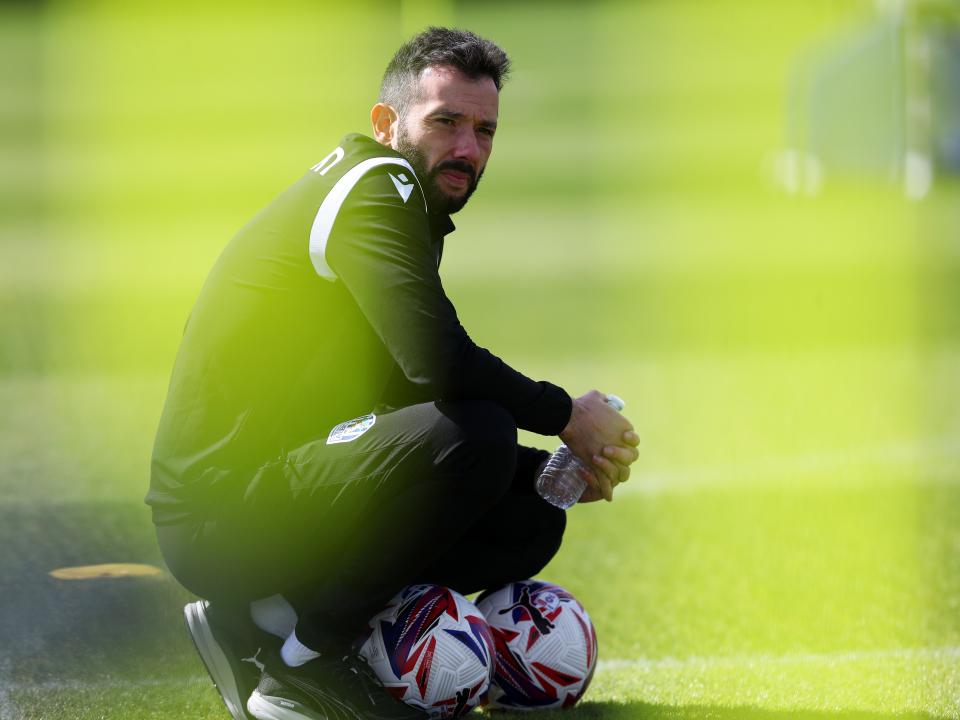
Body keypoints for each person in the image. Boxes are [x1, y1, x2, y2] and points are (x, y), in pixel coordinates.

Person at [147, 26, 639, 720]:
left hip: (271, 488)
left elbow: (405, 389)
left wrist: (548, 472)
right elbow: (435, 359)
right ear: (386, 123)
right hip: (222, 514)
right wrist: (567, 416)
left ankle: (261, 619)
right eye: (446, 122)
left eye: (485, 131)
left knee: (530, 515)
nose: (468, 149)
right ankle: (302, 666)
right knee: (481, 437)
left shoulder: (397, 205)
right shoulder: (375, 186)